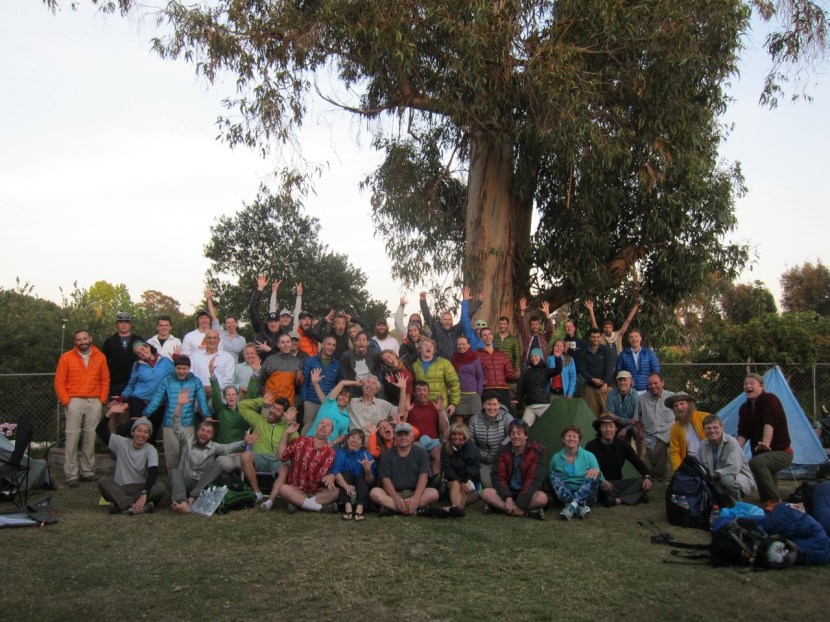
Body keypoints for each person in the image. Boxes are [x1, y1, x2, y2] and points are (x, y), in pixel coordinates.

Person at [169, 388, 254, 513]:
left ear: (211, 436)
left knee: (218, 466)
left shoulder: (214, 446)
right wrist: (179, 405)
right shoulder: (187, 439)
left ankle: (191, 500)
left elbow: (229, 447)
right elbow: (176, 426)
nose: (204, 434)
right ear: (197, 431)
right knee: (174, 471)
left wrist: (244, 442)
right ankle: (181, 502)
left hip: (201, 484)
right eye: (202, 430)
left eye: (208, 432)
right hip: (185, 481)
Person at [54, 329, 110, 487]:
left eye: (85, 338)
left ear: (90, 338)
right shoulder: (66, 357)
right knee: (72, 437)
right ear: (75, 342)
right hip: (74, 400)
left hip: (94, 401)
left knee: (90, 436)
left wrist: (102, 400)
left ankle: (88, 471)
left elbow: (105, 379)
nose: (83, 341)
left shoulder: (100, 356)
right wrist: (66, 401)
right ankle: (71, 474)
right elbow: (59, 381)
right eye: (79, 339)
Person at [143, 355, 212, 471]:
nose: (181, 371)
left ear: (189, 368)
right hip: (169, 424)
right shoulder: (167, 381)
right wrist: (145, 414)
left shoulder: (195, 381)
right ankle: (173, 484)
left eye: (184, 368)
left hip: (188, 423)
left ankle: (187, 484)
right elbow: (156, 399)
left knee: (188, 455)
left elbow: (202, 401)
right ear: (175, 368)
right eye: (178, 368)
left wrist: (207, 416)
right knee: (172, 457)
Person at [737, 373, 793, 507]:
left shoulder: (770, 399)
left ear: (761, 386)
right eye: (745, 384)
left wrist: (765, 443)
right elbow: (742, 433)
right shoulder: (744, 408)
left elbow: (769, 423)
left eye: (751, 383)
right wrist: (734, 450)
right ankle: (771, 499)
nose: (748, 386)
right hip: (762, 455)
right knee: (763, 497)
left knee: (756, 463)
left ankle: (775, 501)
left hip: (782, 453)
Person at [261, 418, 339, 513]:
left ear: (330, 433)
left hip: (316, 493)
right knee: (283, 489)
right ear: (316, 427)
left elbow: (335, 471)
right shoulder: (300, 441)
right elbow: (280, 456)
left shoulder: (332, 453)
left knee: (336, 492)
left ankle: (298, 504)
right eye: (321, 423)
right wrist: (286, 433)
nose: (323, 425)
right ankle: (319, 508)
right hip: (295, 490)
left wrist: (332, 475)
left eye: (328, 425)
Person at [369, 422, 444, 517]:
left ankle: (393, 509)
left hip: (415, 492)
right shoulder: (386, 455)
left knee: (433, 494)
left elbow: (423, 477)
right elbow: (385, 480)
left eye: (406, 434)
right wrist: (396, 498)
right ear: (395, 437)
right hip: (393, 494)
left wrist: (416, 498)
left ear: (412, 437)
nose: (403, 437)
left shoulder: (421, 452)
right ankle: (414, 511)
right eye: (400, 435)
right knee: (374, 493)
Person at [237, 391, 300, 502]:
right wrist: (261, 401)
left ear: (283, 414)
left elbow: (298, 442)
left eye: (278, 410)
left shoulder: (286, 427)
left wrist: (290, 423)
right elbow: (241, 406)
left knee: (286, 467)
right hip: (260, 457)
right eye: (273, 408)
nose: (273, 411)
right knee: (245, 456)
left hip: (277, 461)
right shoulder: (259, 420)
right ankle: (257, 493)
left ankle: (271, 499)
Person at [97, 417, 167, 514]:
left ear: (149, 436)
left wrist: (144, 493)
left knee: (161, 487)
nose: (142, 434)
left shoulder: (151, 449)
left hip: (140, 488)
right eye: (139, 431)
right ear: (132, 432)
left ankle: (120, 505)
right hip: (121, 487)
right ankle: (136, 506)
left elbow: (153, 472)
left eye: (146, 432)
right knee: (103, 482)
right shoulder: (121, 442)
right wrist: (109, 415)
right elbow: (100, 431)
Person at [480, 419, 548, 520]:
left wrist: (521, 503)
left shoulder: (537, 452)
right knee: (485, 493)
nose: (516, 436)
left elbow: (534, 480)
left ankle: (500, 508)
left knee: (542, 498)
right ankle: (526, 512)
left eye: (519, 433)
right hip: (509, 491)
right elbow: (498, 477)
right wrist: (507, 497)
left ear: (526, 435)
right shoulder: (502, 451)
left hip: (527, 493)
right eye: (513, 433)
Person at [585, 413, 653, 507]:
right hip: (600, 484)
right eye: (604, 426)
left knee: (644, 483)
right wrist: (601, 481)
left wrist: (647, 476)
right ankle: (635, 495)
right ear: (599, 429)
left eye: (611, 426)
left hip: (617, 483)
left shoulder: (623, 445)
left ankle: (617, 500)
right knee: (594, 489)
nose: (608, 430)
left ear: (616, 428)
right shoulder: (591, 446)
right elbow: (586, 469)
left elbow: (637, 462)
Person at [111, 340, 174, 441]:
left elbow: (176, 376)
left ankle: (149, 454)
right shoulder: (137, 365)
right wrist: (122, 397)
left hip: (160, 402)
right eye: (138, 353)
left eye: (143, 349)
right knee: (138, 428)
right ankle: (121, 434)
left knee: (152, 431)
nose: (142, 353)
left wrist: (177, 358)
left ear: (148, 347)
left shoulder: (165, 361)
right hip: (140, 401)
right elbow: (131, 384)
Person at [549, 424, 604, 520]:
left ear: (578, 440)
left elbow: (600, 479)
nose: (571, 439)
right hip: (564, 495)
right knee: (552, 475)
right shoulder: (556, 458)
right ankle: (579, 506)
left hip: (587, 496)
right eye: (568, 436)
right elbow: (552, 481)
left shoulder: (589, 456)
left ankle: (571, 506)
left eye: (574, 436)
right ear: (563, 439)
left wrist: (597, 472)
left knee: (593, 473)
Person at [698, 413, 755, 504]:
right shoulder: (703, 445)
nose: (712, 431)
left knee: (726, 480)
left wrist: (713, 474)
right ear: (704, 430)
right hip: (714, 479)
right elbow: (700, 466)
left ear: (722, 428)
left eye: (715, 427)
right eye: (708, 428)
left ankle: (736, 506)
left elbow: (733, 469)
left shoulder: (732, 442)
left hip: (737, 478)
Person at [419, 287, 482, 360]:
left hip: (456, 362)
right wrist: (423, 301)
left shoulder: (457, 330)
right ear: (441, 321)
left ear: (452, 321)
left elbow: (467, 317)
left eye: (449, 319)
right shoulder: (437, 330)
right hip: (441, 363)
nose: (447, 321)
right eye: (445, 319)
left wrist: (479, 301)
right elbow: (427, 317)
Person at [405, 380, 449, 483]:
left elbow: (444, 430)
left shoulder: (435, 406)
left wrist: (440, 411)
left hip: (434, 442)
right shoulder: (410, 406)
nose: (422, 393)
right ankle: (424, 481)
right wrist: (406, 411)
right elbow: (402, 427)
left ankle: (436, 479)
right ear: (415, 393)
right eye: (419, 390)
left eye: (425, 390)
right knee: (420, 453)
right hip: (416, 443)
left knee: (438, 451)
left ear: (428, 393)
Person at [634, 372, 675, 479]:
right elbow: (636, 419)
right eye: (650, 384)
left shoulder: (672, 397)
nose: (653, 386)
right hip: (653, 436)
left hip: (672, 433)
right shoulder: (641, 399)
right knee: (658, 471)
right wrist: (640, 430)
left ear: (662, 383)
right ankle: (660, 475)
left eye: (655, 383)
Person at [468, 392, 513, 488]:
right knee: (489, 485)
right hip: (483, 460)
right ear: (483, 404)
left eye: (494, 404)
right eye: (488, 404)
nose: (492, 408)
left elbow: (512, 434)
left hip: (502, 458)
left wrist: (502, 446)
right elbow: (471, 441)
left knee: (503, 484)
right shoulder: (475, 419)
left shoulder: (506, 417)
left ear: (499, 405)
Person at [329, 429, 376, 521]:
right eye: (352, 437)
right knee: (345, 474)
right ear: (347, 440)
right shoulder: (340, 453)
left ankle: (360, 509)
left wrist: (367, 470)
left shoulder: (366, 455)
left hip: (361, 489)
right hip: (346, 488)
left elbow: (371, 481)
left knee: (361, 477)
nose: (354, 440)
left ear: (362, 444)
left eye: (358, 439)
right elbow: (336, 471)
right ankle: (348, 508)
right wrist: (346, 486)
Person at [411, 338, 461, 417]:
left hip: (440, 408)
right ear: (420, 349)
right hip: (422, 408)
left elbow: (454, 383)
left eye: (431, 346)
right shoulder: (415, 366)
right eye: (425, 345)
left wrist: (453, 404)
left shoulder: (444, 363)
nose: (429, 347)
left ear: (434, 350)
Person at [304, 371, 357, 444]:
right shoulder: (329, 403)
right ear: (337, 396)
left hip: (329, 445)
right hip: (312, 440)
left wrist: (333, 442)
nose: (343, 398)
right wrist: (356, 383)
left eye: (346, 397)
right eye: (341, 395)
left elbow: (342, 435)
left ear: (348, 401)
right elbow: (342, 383)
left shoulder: (346, 417)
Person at [440, 422, 481, 517]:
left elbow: (473, 469)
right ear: (450, 435)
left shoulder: (472, 447)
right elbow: (447, 468)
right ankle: (458, 508)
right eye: (454, 434)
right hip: (453, 480)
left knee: (467, 490)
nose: (456, 437)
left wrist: (466, 483)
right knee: (455, 483)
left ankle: (455, 508)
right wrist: (460, 482)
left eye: (460, 434)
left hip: (471, 480)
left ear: (465, 435)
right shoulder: (445, 447)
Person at [100, 311, 143, 397]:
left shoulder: (138, 340)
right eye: (121, 322)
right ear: (116, 324)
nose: (124, 325)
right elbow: (103, 361)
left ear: (130, 325)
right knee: (116, 408)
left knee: (134, 409)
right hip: (116, 383)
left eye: (126, 322)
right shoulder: (109, 341)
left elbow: (145, 358)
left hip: (136, 382)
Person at [475, 327, 518, 413]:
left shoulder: (501, 354)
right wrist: (480, 382)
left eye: (489, 334)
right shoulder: (477, 355)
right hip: (487, 389)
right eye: (484, 335)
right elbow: (474, 373)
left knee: (505, 414)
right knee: (488, 415)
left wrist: (513, 376)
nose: (487, 337)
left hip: (502, 389)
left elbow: (509, 371)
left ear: (492, 336)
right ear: (481, 338)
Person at [516, 348, 562, 426]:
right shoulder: (527, 372)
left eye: (536, 356)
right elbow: (523, 387)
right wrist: (517, 400)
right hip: (530, 406)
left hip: (543, 405)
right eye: (532, 357)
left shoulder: (545, 371)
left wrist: (557, 358)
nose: (534, 358)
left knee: (549, 427)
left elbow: (558, 370)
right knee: (524, 428)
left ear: (540, 357)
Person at [580, 328, 617, 417]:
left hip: (605, 387)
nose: (595, 339)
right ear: (589, 338)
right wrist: (592, 379)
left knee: (608, 415)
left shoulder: (607, 350)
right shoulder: (585, 352)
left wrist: (606, 383)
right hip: (590, 387)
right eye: (593, 337)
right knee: (591, 415)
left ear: (600, 337)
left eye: (597, 337)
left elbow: (610, 368)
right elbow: (583, 370)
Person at [666, 392, 707, 472]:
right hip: (691, 463)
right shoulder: (675, 428)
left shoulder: (705, 417)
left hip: (709, 460)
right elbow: (675, 452)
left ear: (689, 404)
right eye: (676, 405)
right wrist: (678, 471)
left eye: (682, 404)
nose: (679, 407)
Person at [258, 332, 302, 403]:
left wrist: (299, 380)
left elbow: (298, 384)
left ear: (291, 344)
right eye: (283, 342)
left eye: (288, 342)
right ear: (278, 345)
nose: (286, 345)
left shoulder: (297, 362)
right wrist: (261, 396)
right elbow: (260, 379)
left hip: (288, 403)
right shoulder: (270, 360)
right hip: (269, 402)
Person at [189, 329, 236, 396]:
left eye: (215, 338)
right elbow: (190, 376)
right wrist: (202, 388)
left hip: (220, 394)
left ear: (219, 340)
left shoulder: (228, 357)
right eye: (209, 338)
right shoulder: (194, 356)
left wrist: (215, 388)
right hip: (198, 393)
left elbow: (229, 379)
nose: (212, 340)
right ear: (205, 340)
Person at [205, 288, 246, 362]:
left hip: (234, 368)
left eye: (232, 322)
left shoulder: (242, 340)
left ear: (236, 324)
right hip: (219, 367)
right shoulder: (219, 334)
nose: (231, 325)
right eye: (228, 323)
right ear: (225, 325)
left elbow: (247, 354)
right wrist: (209, 299)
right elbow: (213, 317)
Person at [450, 335, 484, 423]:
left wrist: (478, 393)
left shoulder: (475, 357)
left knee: (474, 424)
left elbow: (480, 376)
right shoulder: (454, 357)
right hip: (458, 395)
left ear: (469, 345)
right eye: (459, 344)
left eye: (464, 344)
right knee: (458, 425)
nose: (461, 346)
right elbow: (450, 376)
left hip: (473, 395)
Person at [340, 331, 383, 397]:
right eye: (359, 340)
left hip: (371, 392)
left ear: (368, 342)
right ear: (355, 341)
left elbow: (378, 371)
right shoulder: (347, 355)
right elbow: (343, 374)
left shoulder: (374, 354)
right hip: (354, 393)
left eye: (364, 340)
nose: (361, 342)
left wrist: (378, 387)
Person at [605, 370, 640, 444]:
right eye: (620, 380)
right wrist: (627, 420)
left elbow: (636, 418)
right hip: (616, 423)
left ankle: (639, 455)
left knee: (637, 430)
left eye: (625, 380)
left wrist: (626, 428)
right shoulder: (611, 395)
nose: (622, 383)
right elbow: (610, 415)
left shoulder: (635, 396)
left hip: (631, 425)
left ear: (630, 381)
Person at [517, 297, 553, 369]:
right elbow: (522, 326)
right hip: (528, 368)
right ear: (530, 326)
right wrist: (522, 311)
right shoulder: (527, 337)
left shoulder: (544, 338)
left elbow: (550, 330)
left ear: (539, 325)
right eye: (533, 324)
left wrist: (547, 314)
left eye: (536, 324)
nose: (535, 326)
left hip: (542, 369)